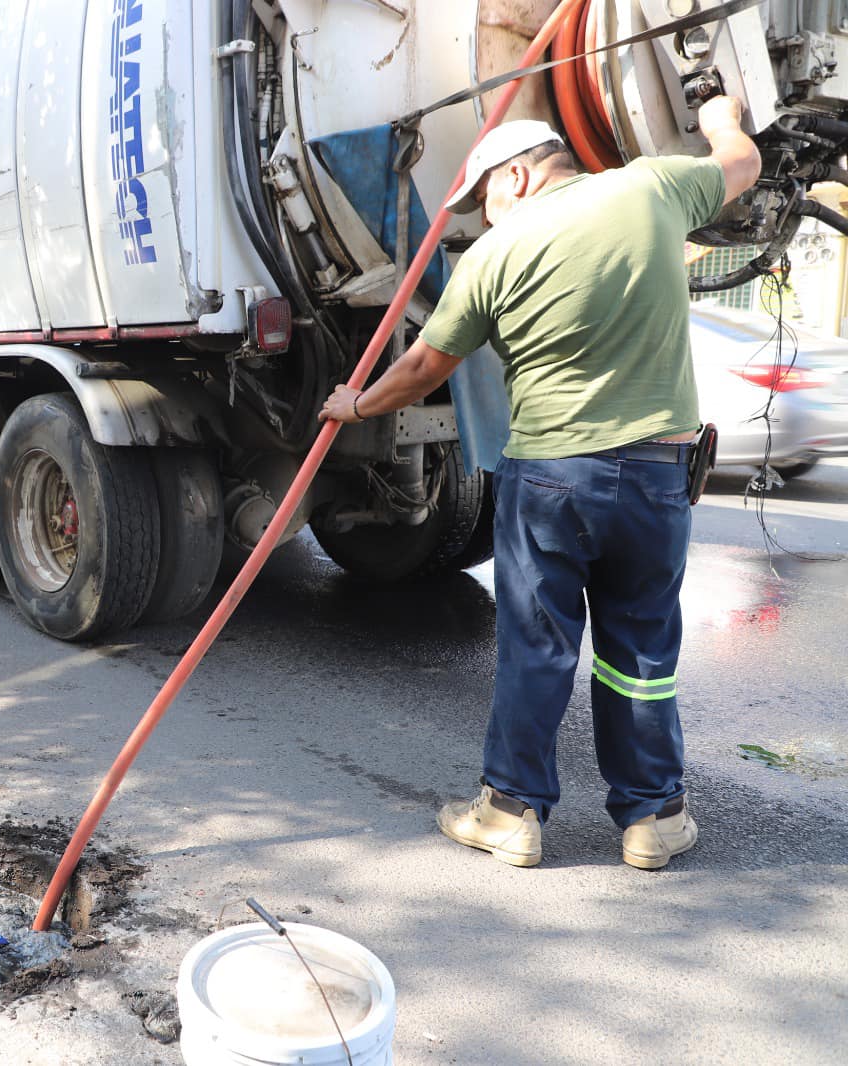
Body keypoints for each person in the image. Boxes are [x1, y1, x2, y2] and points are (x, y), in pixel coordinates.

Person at [319, 97, 761, 869]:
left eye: (482, 198)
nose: (479, 219)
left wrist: (355, 402)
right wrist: (722, 115)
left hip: (552, 480)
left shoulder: (494, 255)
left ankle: (512, 813)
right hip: (657, 476)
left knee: (537, 647)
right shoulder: (650, 189)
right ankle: (653, 818)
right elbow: (744, 166)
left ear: (517, 175)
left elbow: (426, 366)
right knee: (642, 651)